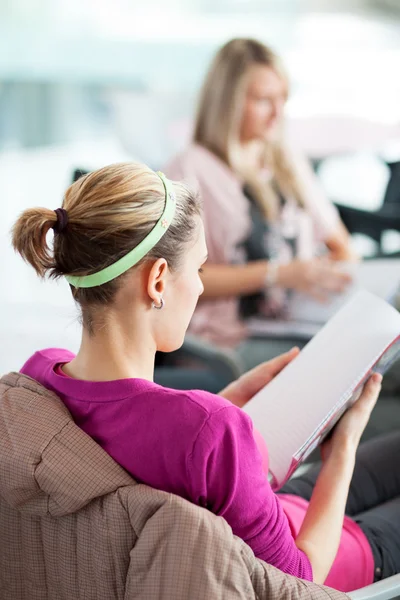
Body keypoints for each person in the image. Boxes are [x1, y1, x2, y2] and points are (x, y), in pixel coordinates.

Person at [11, 163, 400, 592]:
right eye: (197, 270)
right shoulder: (209, 429)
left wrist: (226, 403)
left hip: (272, 517)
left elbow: (144, 444)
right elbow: (300, 579)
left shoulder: (39, 376)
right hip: (333, 557)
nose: (199, 288)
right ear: (157, 280)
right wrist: (342, 447)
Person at [165, 38, 356, 370]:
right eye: (264, 100)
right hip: (233, 341)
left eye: (283, 98)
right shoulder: (189, 170)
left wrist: (324, 275)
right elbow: (178, 277)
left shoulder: (288, 161)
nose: (278, 113)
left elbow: (342, 246)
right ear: (229, 103)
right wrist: (278, 274)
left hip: (301, 324)